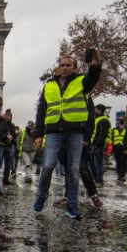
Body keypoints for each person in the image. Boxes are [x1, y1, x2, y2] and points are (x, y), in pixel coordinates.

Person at [32, 50, 103, 219]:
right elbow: (41, 110)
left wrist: (95, 66)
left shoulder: (81, 82)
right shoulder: (49, 85)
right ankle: (41, 197)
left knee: (73, 170)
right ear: (59, 67)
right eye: (62, 65)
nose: (64, 68)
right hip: (54, 132)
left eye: (68, 65)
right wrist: (38, 134)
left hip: (74, 132)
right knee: (47, 166)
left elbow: (92, 79)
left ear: (75, 68)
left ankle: (73, 206)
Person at [90, 104, 110, 185]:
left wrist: (97, 144)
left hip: (99, 145)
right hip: (93, 144)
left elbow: (102, 134)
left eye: (96, 109)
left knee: (98, 163)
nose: (94, 111)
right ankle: (96, 179)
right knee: (92, 163)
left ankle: (99, 180)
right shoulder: (96, 119)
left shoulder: (103, 120)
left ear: (99, 110)